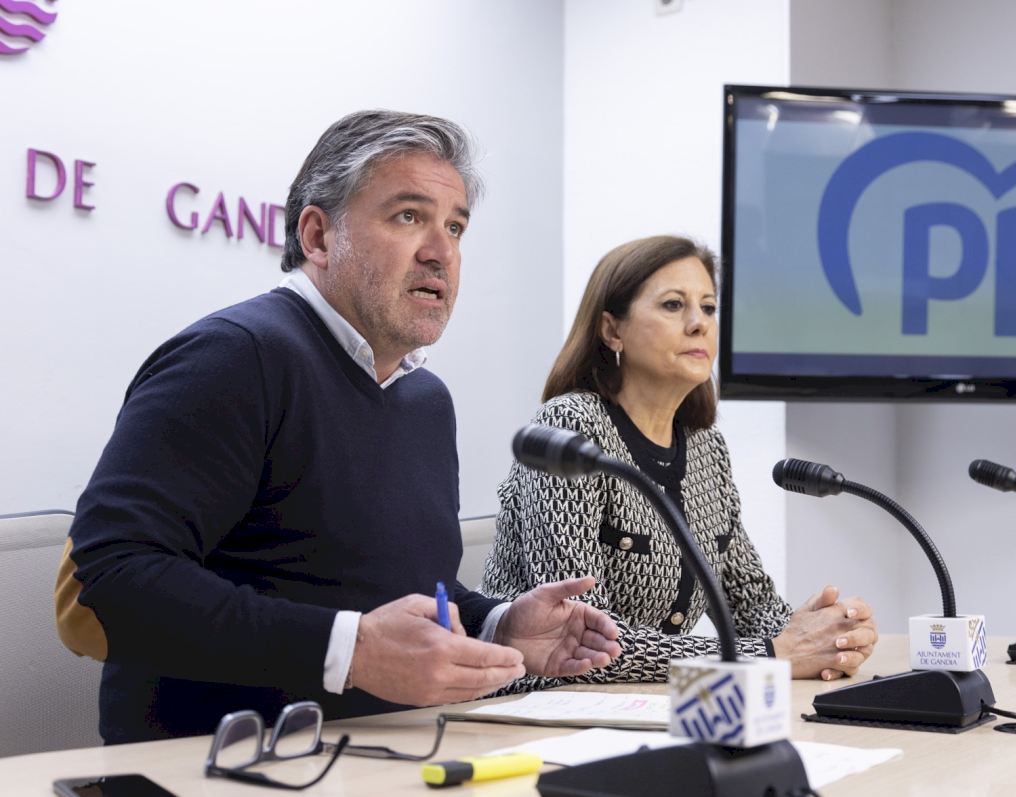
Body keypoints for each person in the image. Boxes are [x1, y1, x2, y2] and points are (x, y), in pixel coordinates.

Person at [54, 110, 620, 744]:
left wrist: (498, 625)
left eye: (455, 227)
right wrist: (351, 652)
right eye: (408, 216)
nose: (441, 252)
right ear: (318, 236)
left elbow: (387, 590)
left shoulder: (425, 399)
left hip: (388, 754)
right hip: (221, 764)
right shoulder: (237, 356)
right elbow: (106, 584)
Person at [480, 235, 876, 684]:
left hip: (647, 705)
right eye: (673, 305)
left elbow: (749, 603)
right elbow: (583, 639)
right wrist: (773, 653)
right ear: (612, 330)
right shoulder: (571, 430)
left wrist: (828, 636)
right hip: (528, 701)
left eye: (708, 308)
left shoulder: (705, 447)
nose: (698, 324)